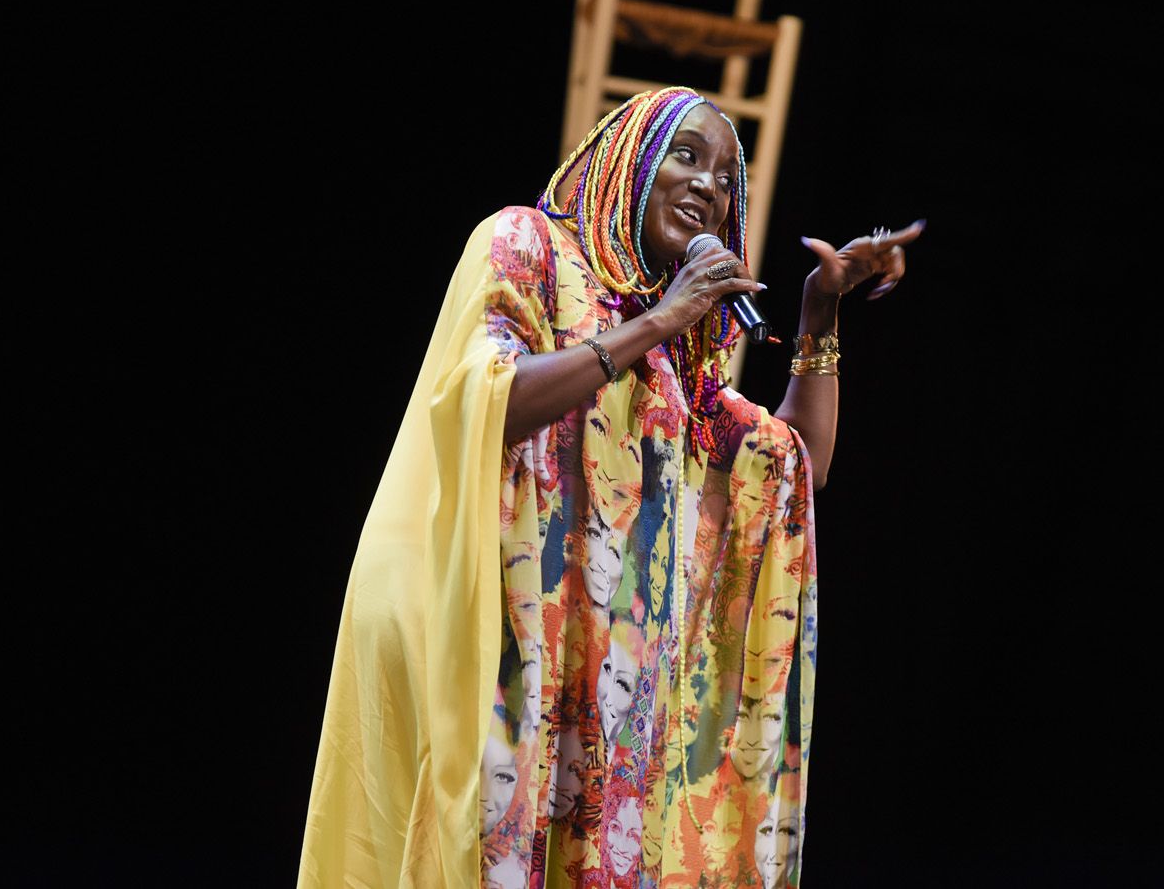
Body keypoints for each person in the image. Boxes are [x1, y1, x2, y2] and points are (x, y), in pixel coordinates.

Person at [297, 86, 922, 887]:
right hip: (473, 611)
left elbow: (792, 460)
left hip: (587, 666)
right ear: (626, 158)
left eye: (727, 177)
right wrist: (661, 319)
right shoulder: (528, 242)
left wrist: (819, 314)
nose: (707, 186)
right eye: (686, 156)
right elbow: (493, 398)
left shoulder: (669, 353)